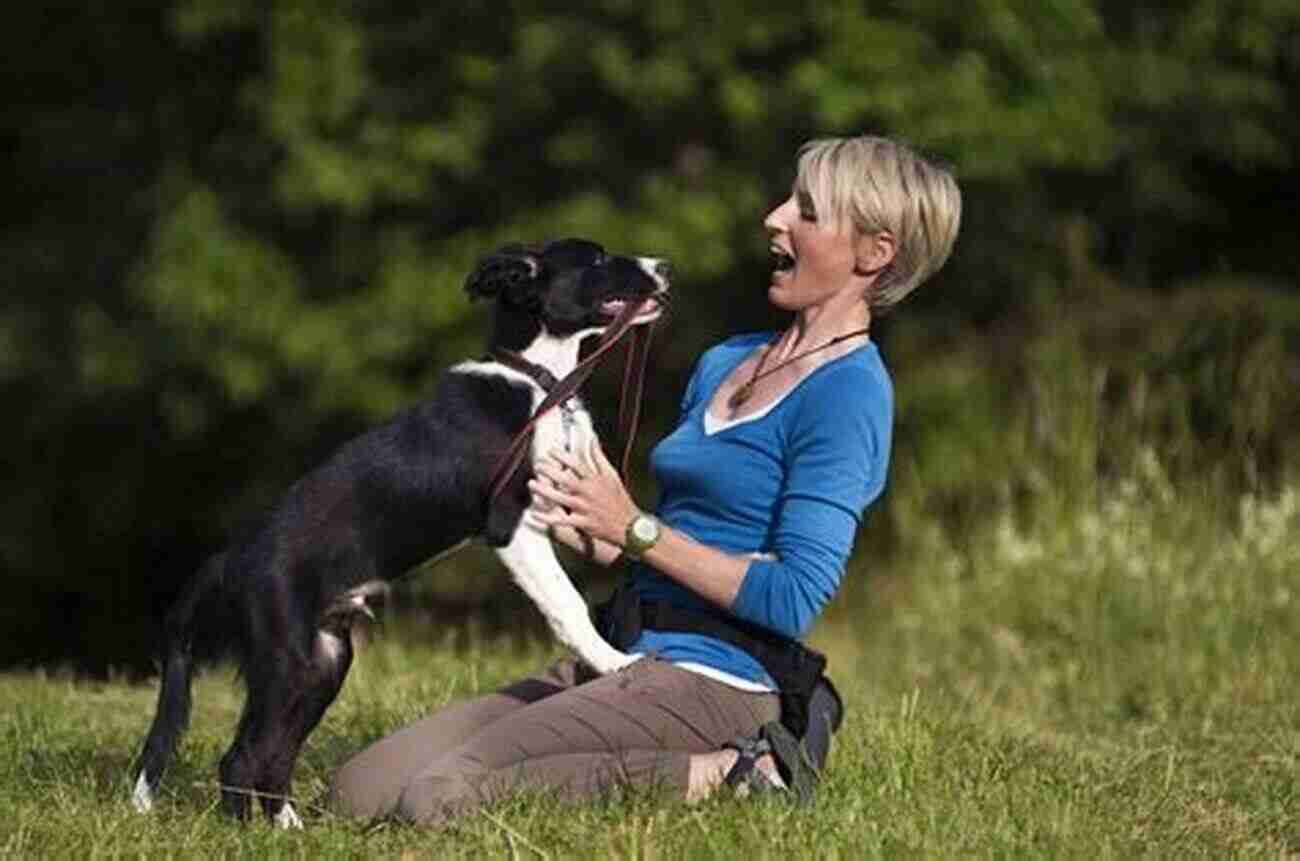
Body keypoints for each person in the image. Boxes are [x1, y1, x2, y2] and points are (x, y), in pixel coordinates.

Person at [328, 134, 962, 824]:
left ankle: (735, 771)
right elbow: (649, 543)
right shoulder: (726, 361)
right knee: (357, 790)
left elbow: (791, 595)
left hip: (716, 677)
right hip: (627, 649)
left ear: (874, 252)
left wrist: (632, 524)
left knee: (437, 796)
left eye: (806, 211)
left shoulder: (849, 394)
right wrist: (576, 514)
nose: (774, 218)